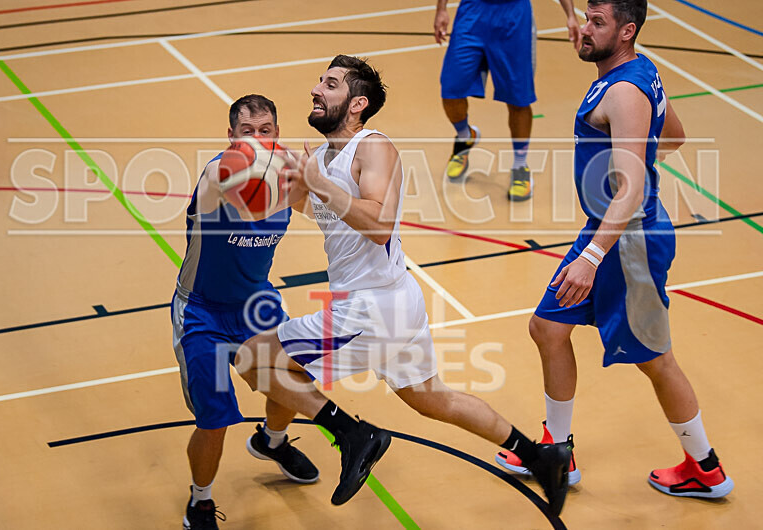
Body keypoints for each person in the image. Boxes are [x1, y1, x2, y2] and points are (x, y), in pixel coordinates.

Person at [234, 55, 572, 514]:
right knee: (434, 400)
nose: (316, 89)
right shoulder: (324, 157)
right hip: (394, 304)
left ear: (357, 104)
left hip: (369, 311)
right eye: (319, 80)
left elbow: (378, 222)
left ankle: (354, 436)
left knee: (253, 357)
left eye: (329, 84)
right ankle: (540, 456)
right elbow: (313, 209)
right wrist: (278, 172)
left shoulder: (374, 148)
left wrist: (317, 182)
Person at [494, 0, 734, 499]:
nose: (584, 27)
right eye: (585, 16)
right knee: (548, 328)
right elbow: (674, 135)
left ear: (626, 31)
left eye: (597, 22)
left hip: (628, 243)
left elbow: (631, 186)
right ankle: (557, 451)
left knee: (656, 358)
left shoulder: (624, 90)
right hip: (608, 230)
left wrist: (593, 254)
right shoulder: (638, 72)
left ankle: (705, 467)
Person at [172, 94, 319, 530]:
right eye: (247, 132)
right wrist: (295, 175)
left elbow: (321, 211)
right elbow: (247, 198)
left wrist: (316, 179)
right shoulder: (218, 175)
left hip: (257, 303)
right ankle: (201, 501)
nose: (256, 140)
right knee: (215, 418)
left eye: (266, 131)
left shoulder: (287, 175)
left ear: (278, 133)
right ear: (231, 137)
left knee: (296, 378)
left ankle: (271, 442)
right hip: (202, 313)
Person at [434, 0, 581, 200]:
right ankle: (465, 136)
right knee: (451, 89)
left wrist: (570, 14)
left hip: (513, 16)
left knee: (518, 99)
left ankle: (520, 166)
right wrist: (441, 9)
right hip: (472, 12)